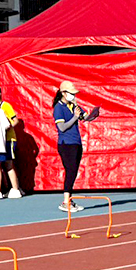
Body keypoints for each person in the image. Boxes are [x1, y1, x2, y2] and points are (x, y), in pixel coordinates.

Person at [53, 81, 96, 211]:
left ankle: (69, 200)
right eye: (71, 93)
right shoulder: (59, 107)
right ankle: (66, 201)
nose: (73, 96)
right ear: (63, 93)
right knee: (70, 171)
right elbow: (62, 127)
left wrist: (93, 115)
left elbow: (85, 117)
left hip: (76, 142)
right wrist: (74, 117)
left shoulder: (73, 105)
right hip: (66, 144)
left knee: (74, 171)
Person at [0, 85, 22, 198]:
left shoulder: (5, 106)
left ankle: (16, 189)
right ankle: (0, 189)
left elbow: (15, 120)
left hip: (9, 140)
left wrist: (7, 127)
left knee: (9, 164)